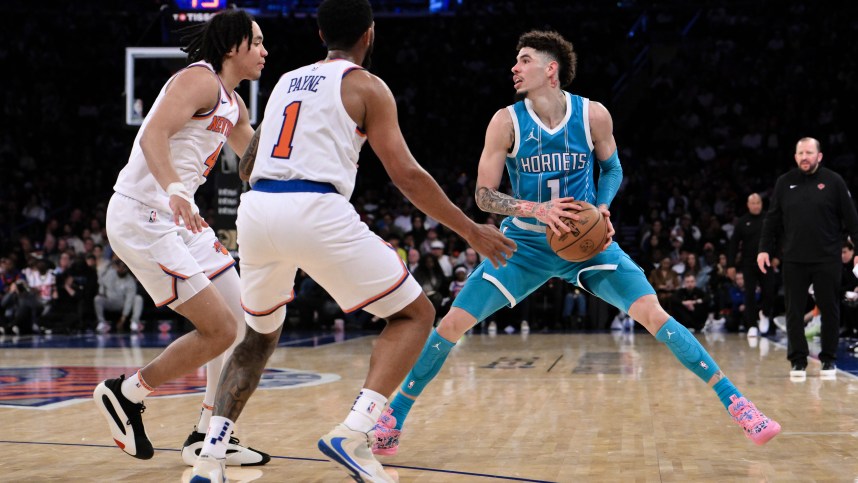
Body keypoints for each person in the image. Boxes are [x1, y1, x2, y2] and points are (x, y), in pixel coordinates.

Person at [372, 30, 780, 457]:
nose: (515, 67)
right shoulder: (505, 121)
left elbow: (614, 168)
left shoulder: (593, 115)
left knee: (652, 313)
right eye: (516, 60)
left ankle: (738, 404)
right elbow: (484, 195)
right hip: (523, 245)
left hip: (586, 244)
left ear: (551, 69)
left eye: (524, 59)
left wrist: (602, 208)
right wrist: (536, 211)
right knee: (452, 323)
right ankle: (394, 417)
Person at [189, 1, 516, 481]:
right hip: (315, 207)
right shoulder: (367, 86)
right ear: (369, 34)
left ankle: (211, 454)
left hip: (257, 209)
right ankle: (354, 431)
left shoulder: (283, 82)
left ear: (321, 33)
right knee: (415, 314)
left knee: (258, 335)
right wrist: (471, 230)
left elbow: (246, 165)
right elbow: (405, 175)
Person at [92, 8, 270, 468]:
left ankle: (207, 434)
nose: (265, 51)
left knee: (241, 320)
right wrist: (174, 189)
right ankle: (126, 393)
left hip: (179, 217)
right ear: (233, 47)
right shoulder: (200, 80)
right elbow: (152, 135)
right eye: (257, 41)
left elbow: (257, 166)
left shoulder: (234, 103)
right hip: (143, 212)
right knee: (219, 330)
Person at [758, 137, 858, 379]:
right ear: (795, 157)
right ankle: (798, 361)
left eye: (809, 152)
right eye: (800, 153)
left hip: (827, 258)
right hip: (793, 259)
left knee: (830, 309)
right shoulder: (785, 182)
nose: (805, 157)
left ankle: (828, 360)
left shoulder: (834, 181)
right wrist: (764, 249)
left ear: (819, 156)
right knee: (793, 310)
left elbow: (852, 218)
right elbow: (772, 220)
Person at [728, 193, 773, 337]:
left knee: (769, 292)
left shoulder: (769, 218)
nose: (756, 206)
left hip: (767, 262)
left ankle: (765, 314)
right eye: (753, 203)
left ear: (762, 203)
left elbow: (780, 237)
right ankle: (752, 325)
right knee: (750, 294)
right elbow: (733, 244)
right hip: (748, 263)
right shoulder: (742, 222)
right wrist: (731, 265)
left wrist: (778, 256)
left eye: (758, 202)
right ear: (748, 205)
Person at [93, 259, 144, 333]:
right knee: (97, 299)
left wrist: (123, 319)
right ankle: (102, 323)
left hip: (122, 304)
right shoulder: (110, 274)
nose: (121, 269)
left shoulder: (130, 281)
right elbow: (101, 281)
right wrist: (101, 291)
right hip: (110, 301)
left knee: (138, 298)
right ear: (116, 267)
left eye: (124, 267)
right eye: (119, 267)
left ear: (127, 269)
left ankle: (134, 323)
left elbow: (129, 301)